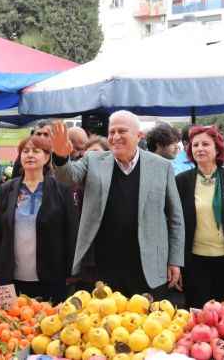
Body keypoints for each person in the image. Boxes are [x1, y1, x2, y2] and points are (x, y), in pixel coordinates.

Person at [51, 111, 185, 298]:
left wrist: (175, 260)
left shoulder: (162, 167)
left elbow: (176, 218)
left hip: (148, 266)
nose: (115, 137)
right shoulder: (94, 160)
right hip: (105, 265)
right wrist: (60, 156)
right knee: (108, 324)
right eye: (111, 132)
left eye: (122, 131)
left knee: (150, 324)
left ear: (139, 136)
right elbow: (67, 176)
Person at [0, 135, 77, 302]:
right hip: (10, 276)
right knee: (9, 324)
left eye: (36, 151)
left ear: (46, 157)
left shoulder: (61, 190)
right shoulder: (6, 189)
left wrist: (70, 270)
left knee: (46, 324)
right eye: (25, 151)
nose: (29, 155)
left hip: (50, 274)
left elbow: (71, 232)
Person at [175, 126, 224, 308]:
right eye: (195, 145)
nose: (199, 148)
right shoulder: (182, 181)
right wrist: (175, 263)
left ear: (217, 149)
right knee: (198, 317)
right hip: (195, 262)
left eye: (205, 144)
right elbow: (175, 225)